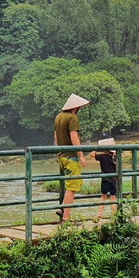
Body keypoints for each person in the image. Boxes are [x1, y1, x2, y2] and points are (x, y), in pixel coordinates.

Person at [54, 93, 89, 222]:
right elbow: (74, 138)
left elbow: (56, 137)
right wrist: (81, 155)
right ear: (76, 107)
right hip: (71, 157)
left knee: (70, 184)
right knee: (72, 187)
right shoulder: (72, 118)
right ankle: (66, 218)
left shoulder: (58, 117)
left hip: (61, 156)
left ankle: (62, 209)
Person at [90, 137, 119, 222]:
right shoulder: (116, 157)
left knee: (103, 197)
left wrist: (97, 148)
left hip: (105, 180)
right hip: (114, 180)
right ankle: (113, 216)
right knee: (113, 199)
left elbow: (92, 154)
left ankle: (99, 213)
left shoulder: (102, 156)